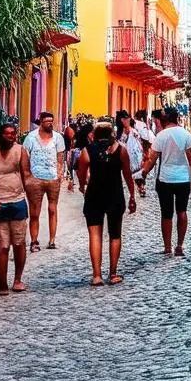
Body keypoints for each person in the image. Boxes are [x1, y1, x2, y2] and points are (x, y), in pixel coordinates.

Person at [78, 116, 136, 285]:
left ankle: (96, 275)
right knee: (115, 235)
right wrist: (132, 195)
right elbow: (127, 175)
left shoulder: (87, 151)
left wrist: (83, 187)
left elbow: (81, 174)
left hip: (95, 194)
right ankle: (113, 274)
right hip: (115, 194)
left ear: (95, 134)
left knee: (95, 235)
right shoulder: (121, 150)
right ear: (112, 132)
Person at [0, 121, 32, 295]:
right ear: (0, 135)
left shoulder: (20, 151)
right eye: (8, 133)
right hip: (0, 205)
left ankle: (17, 280)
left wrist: (31, 201)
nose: (11, 136)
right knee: (2, 246)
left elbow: (26, 175)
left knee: (19, 243)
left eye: (13, 133)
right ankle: (3, 285)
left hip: (18, 201)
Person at [142, 105, 191, 257]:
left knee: (166, 214)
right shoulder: (186, 135)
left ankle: (167, 247)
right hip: (182, 179)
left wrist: (143, 173)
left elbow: (152, 159)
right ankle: (179, 246)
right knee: (182, 211)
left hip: (165, 179)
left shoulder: (161, 136)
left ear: (165, 119)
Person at [23, 111, 66, 252]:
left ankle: (52, 240)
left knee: (52, 209)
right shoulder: (31, 137)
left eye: (51, 121)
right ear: (41, 122)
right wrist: (27, 176)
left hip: (53, 178)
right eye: (47, 121)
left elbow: (60, 157)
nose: (50, 123)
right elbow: (24, 157)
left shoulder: (58, 138)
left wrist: (59, 174)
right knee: (34, 212)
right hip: (35, 179)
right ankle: (34, 241)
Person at [63, 116, 77, 192]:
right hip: (68, 150)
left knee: (68, 166)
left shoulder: (67, 130)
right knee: (69, 166)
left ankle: (70, 179)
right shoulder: (70, 131)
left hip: (67, 150)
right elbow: (72, 142)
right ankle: (70, 179)